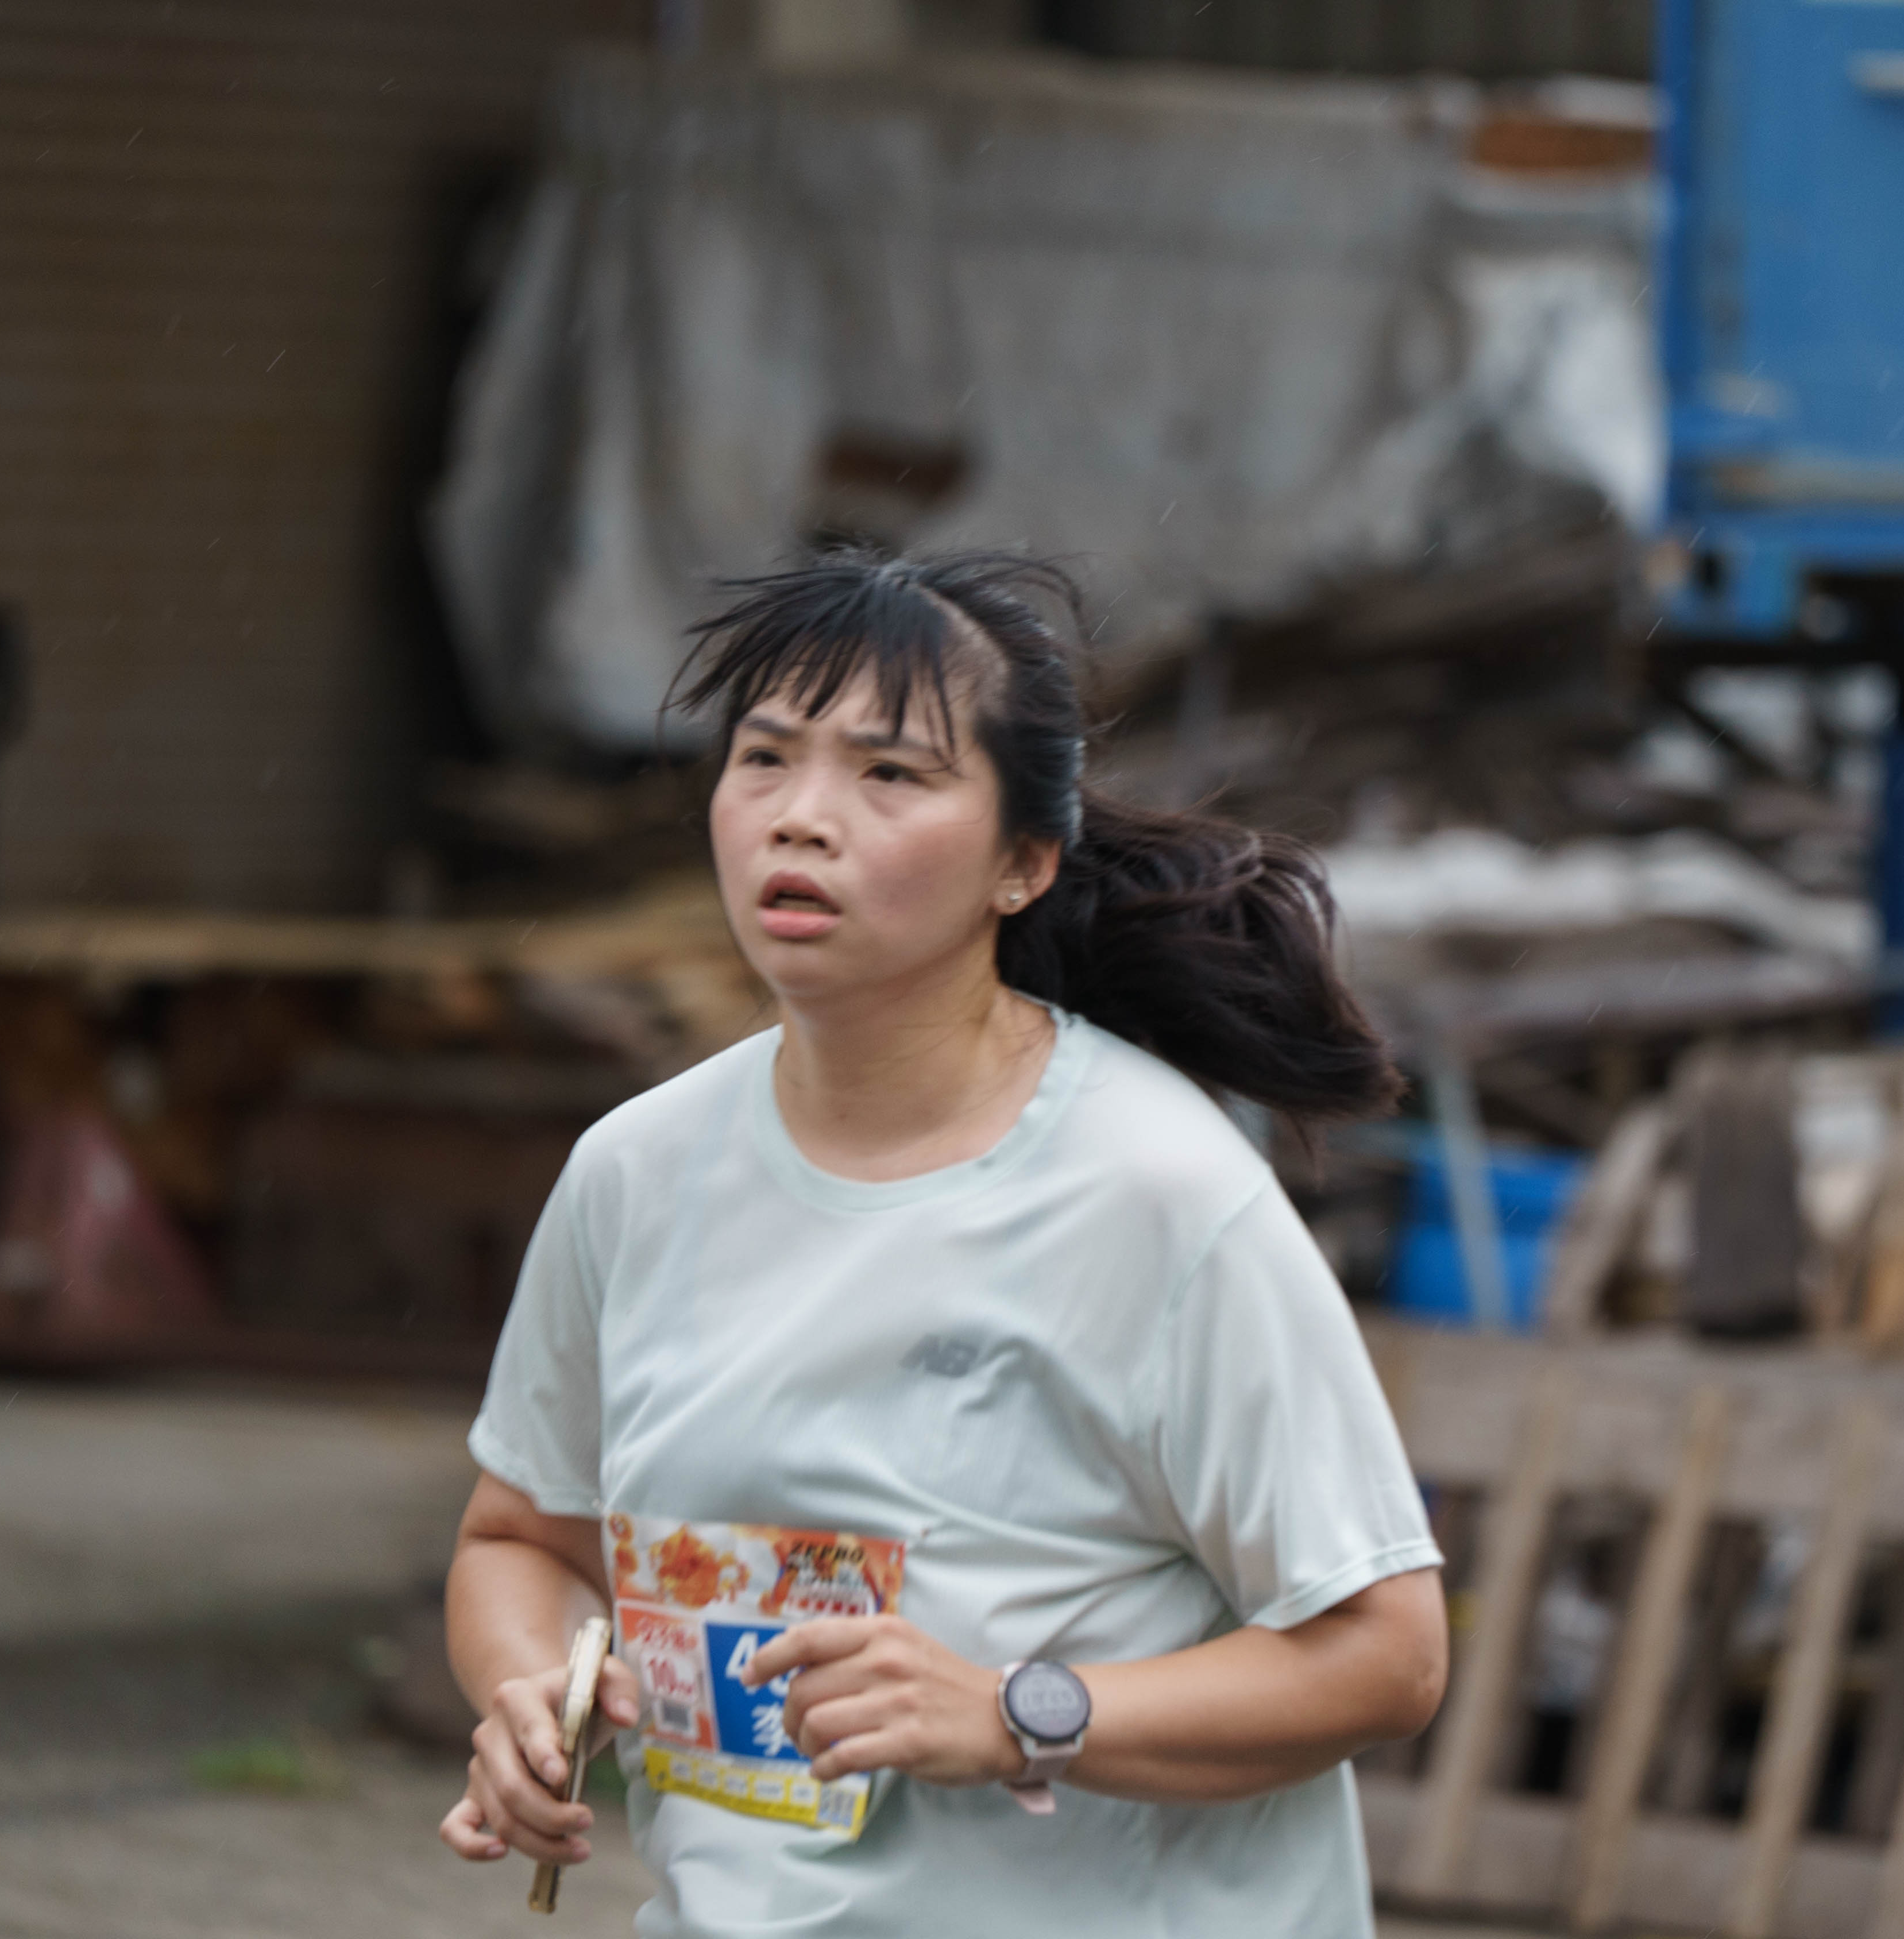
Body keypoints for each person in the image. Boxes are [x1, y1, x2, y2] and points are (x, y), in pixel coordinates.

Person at [437, 551, 1449, 1936]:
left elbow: (1386, 1654)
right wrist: (530, 1693)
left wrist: (1020, 1711)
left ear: (1023, 861)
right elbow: (523, 1535)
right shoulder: (635, 1171)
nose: (802, 817)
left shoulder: (1158, 1191)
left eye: (890, 773)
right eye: (764, 758)